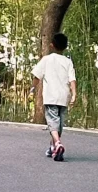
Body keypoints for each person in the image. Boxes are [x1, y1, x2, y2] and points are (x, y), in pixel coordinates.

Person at [32, 32, 77, 162]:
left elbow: (37, 76)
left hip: (51, 96)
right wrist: (74, 94)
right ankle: (53, 148)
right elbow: (72, 80)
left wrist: (33, 87)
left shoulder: (47, 59)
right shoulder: (68, 62)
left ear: (52, 45)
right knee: (59, 124)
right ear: (65, 47)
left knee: (52, 122)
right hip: (64, 97)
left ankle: (57, 143)